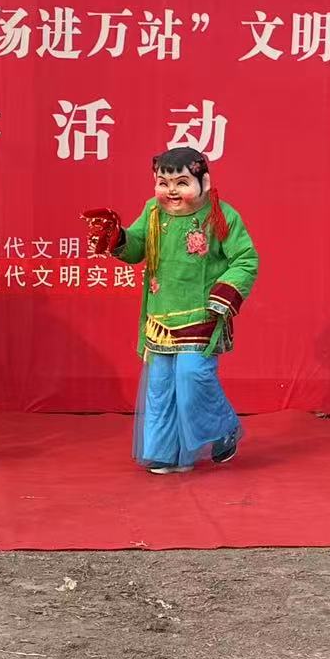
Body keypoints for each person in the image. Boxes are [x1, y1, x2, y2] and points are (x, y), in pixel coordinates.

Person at [83, 147, 259, 474]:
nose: (172, 191)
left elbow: (245, 259)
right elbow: (137, 246)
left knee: (192, 376)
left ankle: (224, 428)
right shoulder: (153, 211)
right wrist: (118, 237)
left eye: (181, 182)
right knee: (161, 385)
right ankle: (166, 453)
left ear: (204, 182)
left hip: (202, 313)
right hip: (161, 314)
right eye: (163, 183)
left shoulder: (221, 215)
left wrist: (226, 289)